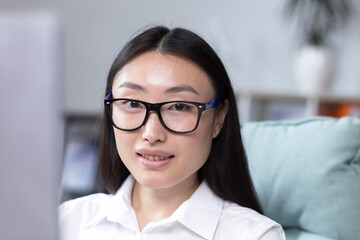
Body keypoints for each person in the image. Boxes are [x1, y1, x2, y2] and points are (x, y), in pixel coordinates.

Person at [58, 26, 285, 240]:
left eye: (178, 107)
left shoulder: (253, 236)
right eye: (132, 103)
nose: (152, 133)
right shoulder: (68, 221)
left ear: (219, 118)